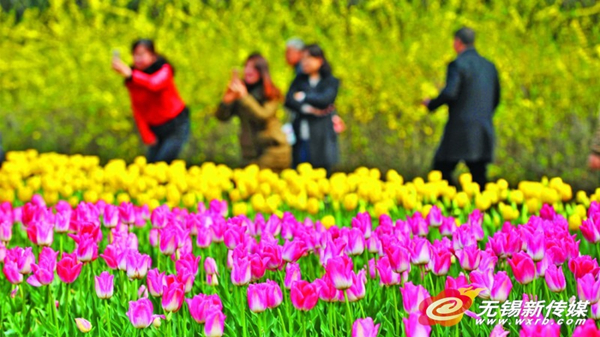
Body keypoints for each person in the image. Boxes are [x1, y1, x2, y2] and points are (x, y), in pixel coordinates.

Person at [423, 27, 500, 188]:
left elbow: (451, 92)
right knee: (479, 177)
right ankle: (479, 210)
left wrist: (432, 104)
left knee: (440, 171)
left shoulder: (457, 65)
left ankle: (448, 206)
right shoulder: (489, 66)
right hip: (483, 129)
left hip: (459, 130)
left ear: (458, 42)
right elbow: (496, 97)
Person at [111, 39, 190, 164]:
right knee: (150, 165)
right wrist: (146, 134)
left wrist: (131, 75)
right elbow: (137, 107)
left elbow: (154, 84)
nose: (138, 58)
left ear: (153, 55)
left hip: (176, 125)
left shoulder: (164, 69)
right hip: (155, 129)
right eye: (135, 55)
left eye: (142, 54)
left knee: (161, 163)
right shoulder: (133, 79)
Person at [215, 53, 291, 172]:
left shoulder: (270, 93)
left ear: (262, 72)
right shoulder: (240, 93)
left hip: (273, 152)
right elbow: (222, 117)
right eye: (246, 67)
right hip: (250, 154)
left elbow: (262, 115)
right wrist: (227, 100)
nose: (248, 71)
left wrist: (244, 97)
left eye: (254, 68)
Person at [285, 44, 340, 174]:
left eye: (308, 58)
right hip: (302, 132)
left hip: (322, 135)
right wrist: (306, 108)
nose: (305, 62)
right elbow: (289, 100)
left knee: (321, 172)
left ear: (319, 60)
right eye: (302, 59)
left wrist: (303, 96)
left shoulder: (330, 81)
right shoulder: (299, 80)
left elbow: (325, 99)